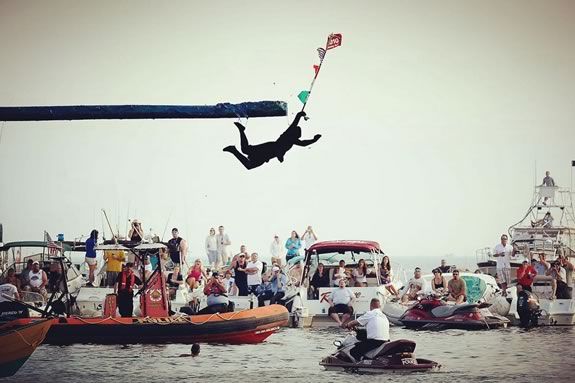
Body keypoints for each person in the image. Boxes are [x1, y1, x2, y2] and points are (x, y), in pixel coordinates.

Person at [223, 111, 321, 170]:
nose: (299, 137)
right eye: (298, 134)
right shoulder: (288, 136)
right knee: (247, 158)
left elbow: (303, 143)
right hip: (268, 150)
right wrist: (299, 115)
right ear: (294, 134)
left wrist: (314, 140)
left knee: (246, 152)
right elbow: (294, 125)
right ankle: (234, 147)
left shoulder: (293, 141)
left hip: (267, 153)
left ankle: (240, 133)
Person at [344, 298, 390, 362]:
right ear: (379, 306)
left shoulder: (371, 313)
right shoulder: (383, 316)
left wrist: (347, 325)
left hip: (375, 342)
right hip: (386, 341)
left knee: (353, 351)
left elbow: (355, 322)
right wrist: (356, 329)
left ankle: (358, 366)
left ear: (370, 306)